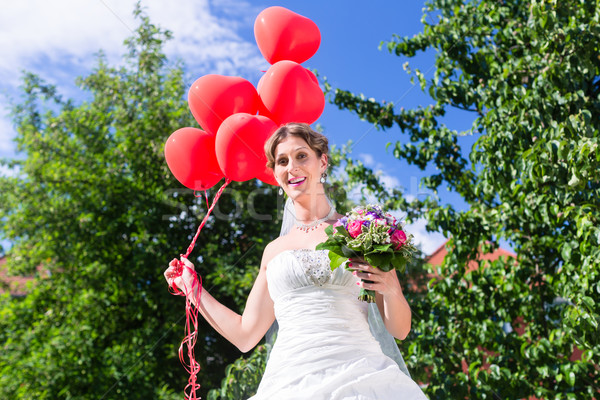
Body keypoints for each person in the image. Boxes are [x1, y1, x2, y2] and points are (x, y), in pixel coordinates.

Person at [164, 123, 427, 399]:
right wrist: (192, 287)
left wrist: (390, 288)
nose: (292, 167)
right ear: (276, 173)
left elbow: (399, 329)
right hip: (289, 382)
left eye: (302, 156)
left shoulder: (362, 231)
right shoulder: (273, 251)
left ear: (322, 161)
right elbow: (245, 336)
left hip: (362, 376)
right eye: (282, 161)